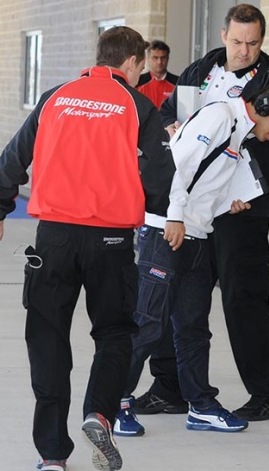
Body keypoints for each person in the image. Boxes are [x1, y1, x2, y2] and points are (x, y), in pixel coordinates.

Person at [0, 26, 175, 471]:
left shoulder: (55, 98)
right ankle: (99, 412)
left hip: (54, 237)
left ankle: (52, 456)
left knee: (48, 335)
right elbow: (161, 178)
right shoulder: (137, 106)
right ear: (132, 62)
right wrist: (161, 215)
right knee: (115, 334)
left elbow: (13, 159)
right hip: (111, 240)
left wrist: (0, 209)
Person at [115, 78, 269, 437]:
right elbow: (177, 165)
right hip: (167, 232)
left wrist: (226, 204)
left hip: (197, 236)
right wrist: (174, 216)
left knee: (193, 329)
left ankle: (201, 406)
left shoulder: (238, 135)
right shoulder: (219, 117)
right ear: (265, 105)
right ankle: (114, 402)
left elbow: (204, 188)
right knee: (148, 324)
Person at [129, 3, 269, 424]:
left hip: (240, 209)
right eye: (237, 41)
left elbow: (263, 143)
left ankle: (265, 395)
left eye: (252, 43)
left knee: (243, 299)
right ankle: (169, 387)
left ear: (262, 41)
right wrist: (173, 130)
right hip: (189, 206)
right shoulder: (200, 71)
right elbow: (172, 114)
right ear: (223, 36)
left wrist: (237, 194)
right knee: (176, 299)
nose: (244, 50)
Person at [136, 40, 178, 109]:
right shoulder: (138, 82)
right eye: (155, 58)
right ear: (147, 59)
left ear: (168, 59)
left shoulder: (178, 83)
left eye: (163, 58)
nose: (159, 62)